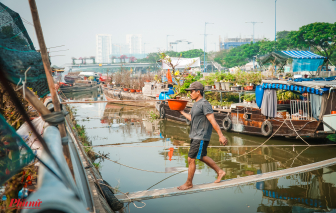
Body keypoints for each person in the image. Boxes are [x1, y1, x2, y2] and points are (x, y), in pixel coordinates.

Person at [177, 81, 228, 190]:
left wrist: (221, 135)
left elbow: (212, 120)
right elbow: (192, 119)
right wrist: (182, 112)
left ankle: (189, 183)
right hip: (195, 135)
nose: (190, 94)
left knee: (191, 159)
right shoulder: (196, 104)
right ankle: (220, 172)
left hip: (200, 136)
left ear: (198, 92)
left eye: (191, 91)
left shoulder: (204, 104)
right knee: (201, 156)